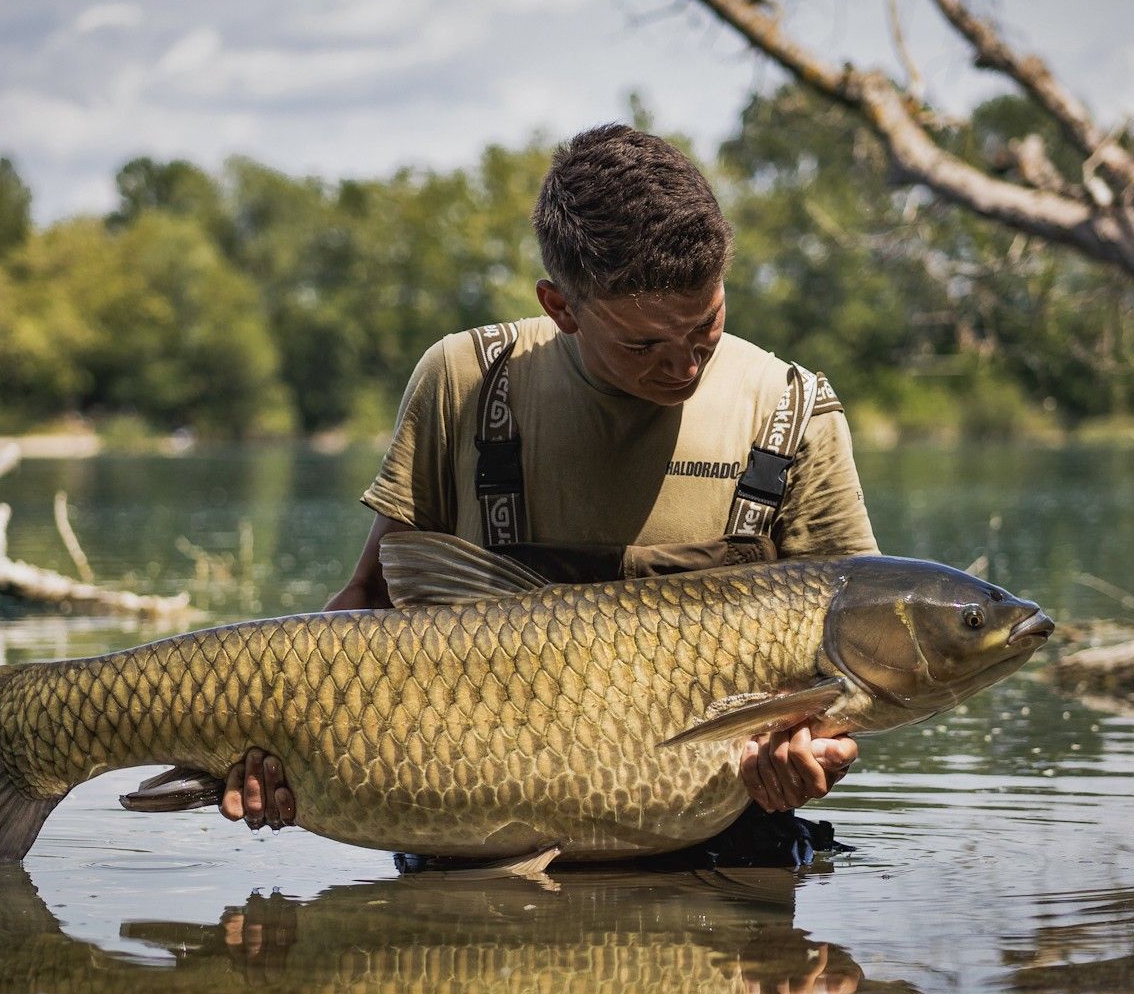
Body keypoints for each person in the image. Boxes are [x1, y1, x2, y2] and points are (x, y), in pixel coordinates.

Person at [223, 124, 879, 865]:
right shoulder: (464, 382)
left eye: (707, 326)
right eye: (644, 345)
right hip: (468, 848)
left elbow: (855, 675)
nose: (685, 365)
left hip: (718, 854)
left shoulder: (792, 409)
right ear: (560, 305)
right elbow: (365, 609)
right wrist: (275, 746)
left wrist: (816, 756)